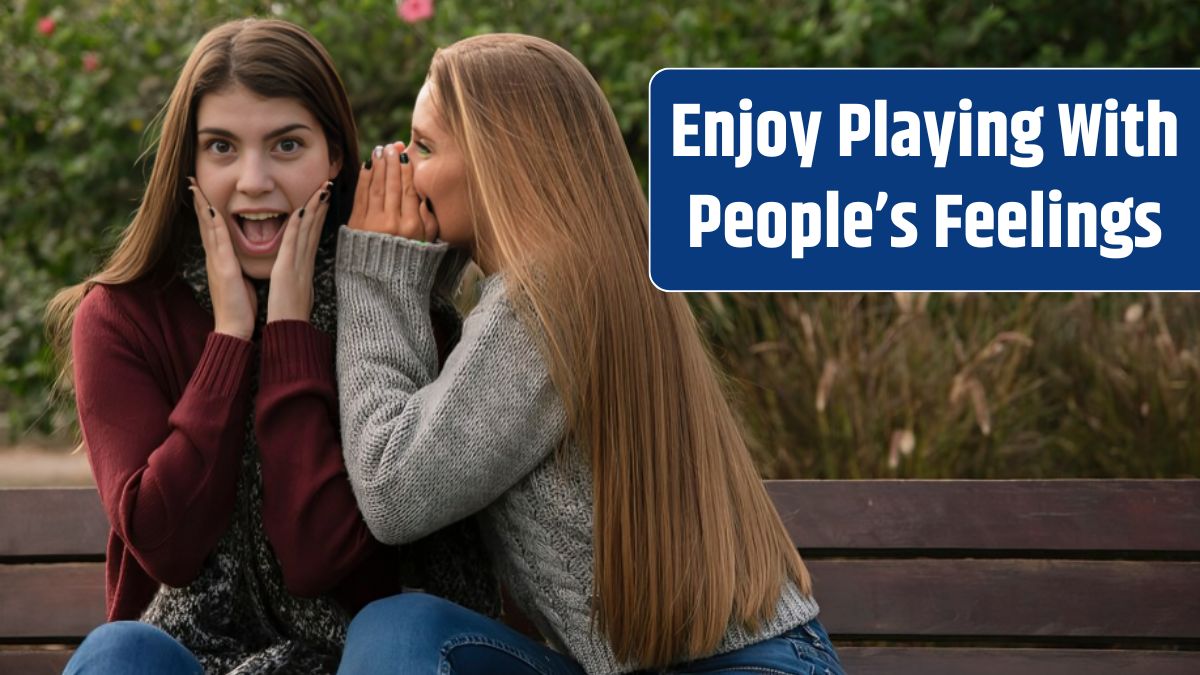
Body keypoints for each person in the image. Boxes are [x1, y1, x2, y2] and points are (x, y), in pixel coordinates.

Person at [334, 33, 845, 675]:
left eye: (426, 146)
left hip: (746, 666)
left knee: (402, 631)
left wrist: (380, 273)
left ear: (500, 163)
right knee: (403, 630)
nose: (402, 167)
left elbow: (393, 490)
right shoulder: (577, 280)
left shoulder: (547, 299)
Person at [45, 18, 494, 675]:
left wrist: (290, 331)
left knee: (388, 633)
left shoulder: (389, 311)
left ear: (335, 156)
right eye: (221, 147)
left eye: (287, 145)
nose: (253, 180)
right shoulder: (121, 317)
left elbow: (315, 555)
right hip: (185, 658)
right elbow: (166, 545)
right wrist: (229, 340)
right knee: (121, 649)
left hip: (354, 660)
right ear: (189, 164)